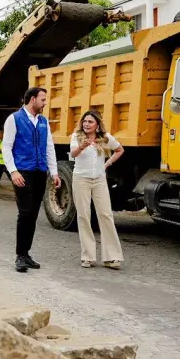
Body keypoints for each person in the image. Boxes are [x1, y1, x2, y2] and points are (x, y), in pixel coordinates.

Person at [3, 87, 61, 273]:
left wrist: (54, 172)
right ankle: (20, 256)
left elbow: (49, 147)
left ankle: (26, 254)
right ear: (33, 99)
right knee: (25, 212)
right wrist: (13, 172)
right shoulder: (14, 119)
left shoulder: (43, 121)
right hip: (23, 172)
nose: (45, 103)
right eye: (43, 99)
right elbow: (6, 147)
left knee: (34, 214)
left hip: (39, 172)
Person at [69, 110, 125, 270]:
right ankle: (88, 257)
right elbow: (73, 154)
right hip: (81, 179)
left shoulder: (105, 138)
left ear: (97, 124)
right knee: (84, 216)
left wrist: (107, 164)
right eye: (85, 121)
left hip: (99, 180)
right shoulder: (76, 136)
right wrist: (81, 147)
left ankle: (112, 257)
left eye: (90, 122)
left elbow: (120, 150)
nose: (86, 124)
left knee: (106, 215)